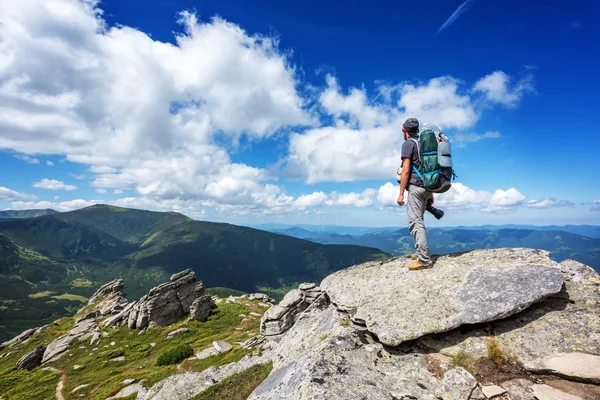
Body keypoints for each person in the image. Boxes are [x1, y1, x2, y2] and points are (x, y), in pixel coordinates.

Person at [397, 118, 434, 270]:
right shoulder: (423, 144)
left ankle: (424, 260)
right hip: (426, 186)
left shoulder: (408, 144)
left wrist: (401, 194)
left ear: (404, 130)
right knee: (419, 219)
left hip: (416, 187)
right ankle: (420, 252)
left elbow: (406, 170)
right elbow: (428, 169)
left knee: (415, 222)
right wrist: (430, 192)